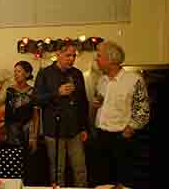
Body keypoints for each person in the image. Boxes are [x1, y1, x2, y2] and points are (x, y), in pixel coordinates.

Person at [92, 40, 150, 187]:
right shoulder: (102, 80)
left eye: (99, 56)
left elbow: (142, 110)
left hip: (122, 137)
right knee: (103, 180)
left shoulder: (134, 80)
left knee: (124, 181)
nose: (96, 59)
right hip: (101, 135)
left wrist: (129, 130)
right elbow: (100, 101)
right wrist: (97, 103)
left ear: (110, 59)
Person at [33, 42, 89, 187]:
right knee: (57, 170)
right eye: (68, 55)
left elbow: (83, 102)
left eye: (74, 56)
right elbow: (36, 99)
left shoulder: (77, 74)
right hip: (54, 130)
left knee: (80, 169)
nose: (71, 59)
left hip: (75, 130)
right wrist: (57, 93)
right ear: (58, 54)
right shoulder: (44, 73)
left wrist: (84, 127)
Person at [0, 61, 38, 149]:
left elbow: (35, 115)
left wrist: (34, 136)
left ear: (27, 74)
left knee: (26, 160)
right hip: (10, 133)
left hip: (26, 132)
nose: (15, 74)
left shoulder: (33, 91)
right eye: (15, 71)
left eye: (19, 71)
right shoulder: (9, 90)